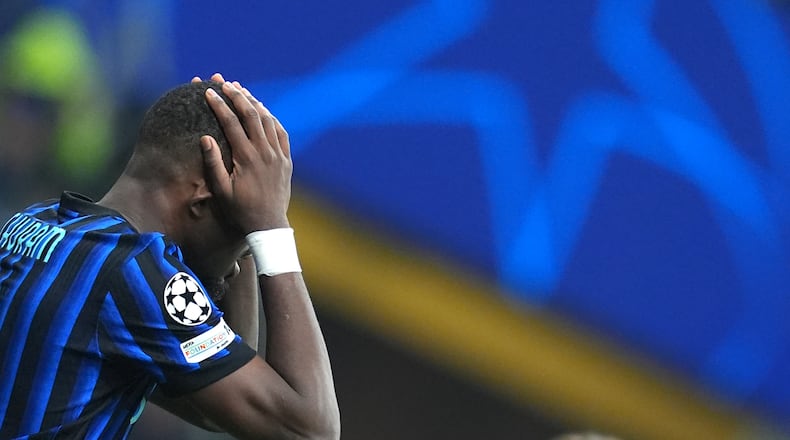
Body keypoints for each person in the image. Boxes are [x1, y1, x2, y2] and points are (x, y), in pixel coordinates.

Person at [0, 74, 341, 439]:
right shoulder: (135, 273)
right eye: (239, 234)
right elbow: (311, 429)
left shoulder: (33, 223)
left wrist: (244, 229)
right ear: (201, 201)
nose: (240, 258)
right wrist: (269, 226)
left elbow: (219, 407)